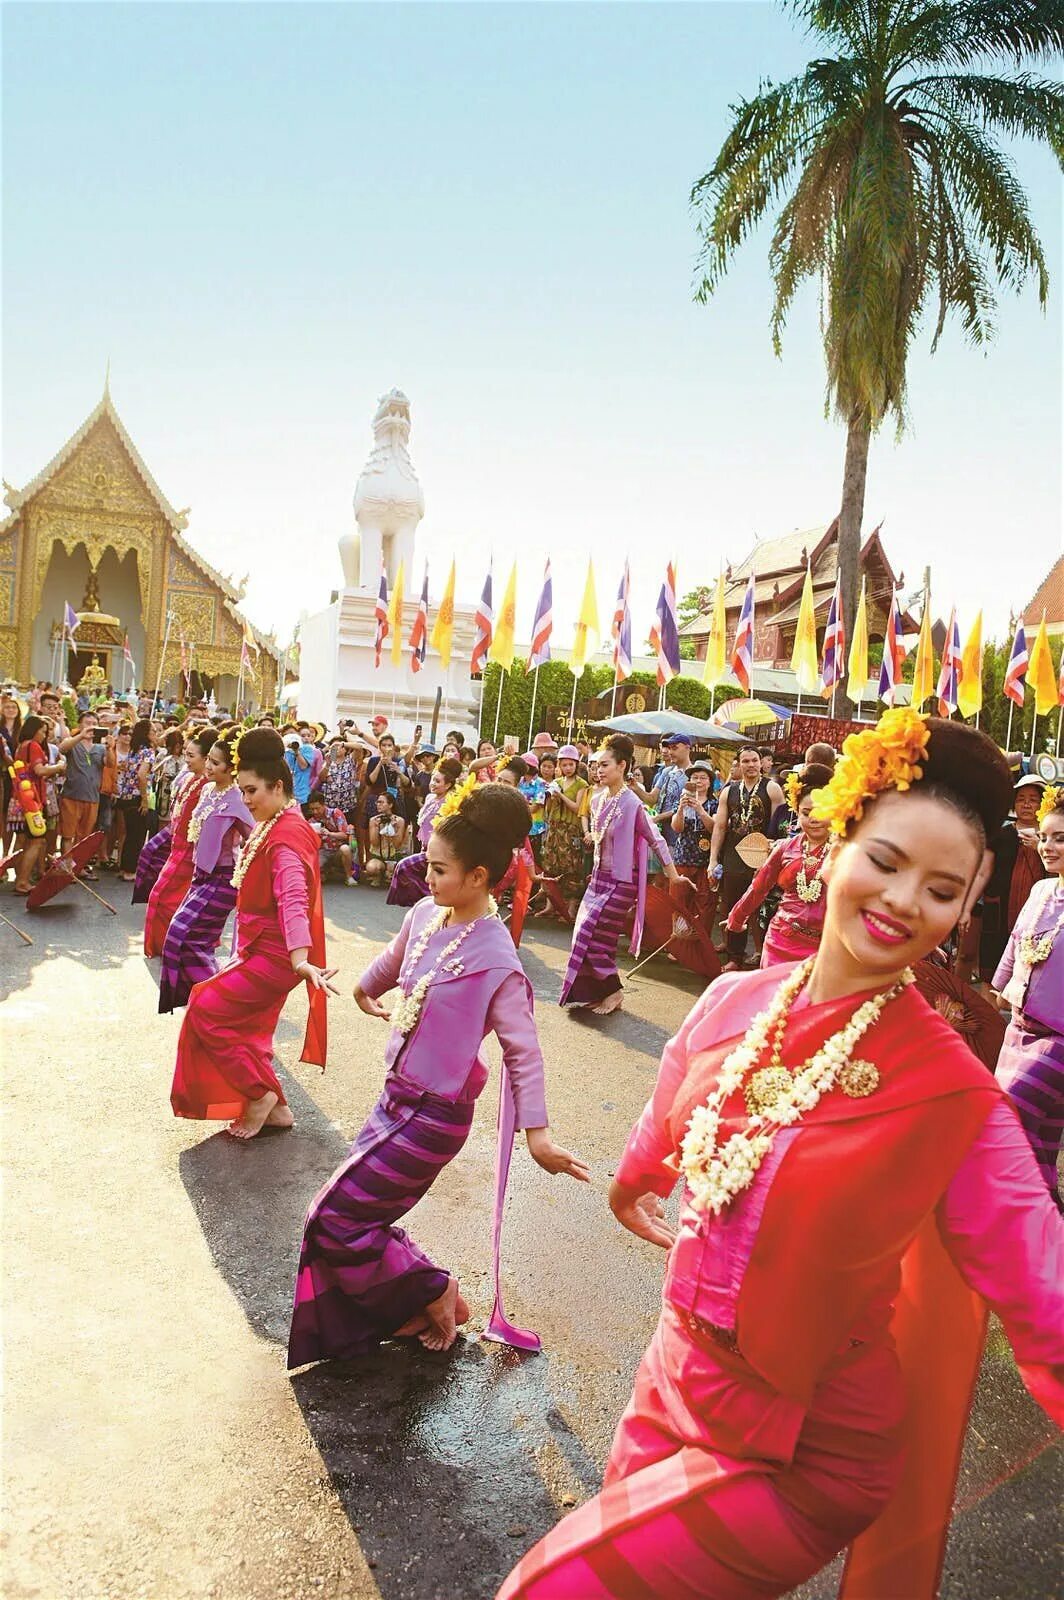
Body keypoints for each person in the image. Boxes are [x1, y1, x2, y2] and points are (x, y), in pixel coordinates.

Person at [499, 710, 1063, 1600]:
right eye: (885, 861)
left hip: (805, 1451)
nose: (907, 901)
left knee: (556, 1588)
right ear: (836, 844)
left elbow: (1047, 1289)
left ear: (967, 904)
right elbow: (673, 1108)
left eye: (944, 889)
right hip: (671, 1384)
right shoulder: (732, 1000)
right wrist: (631, 1186)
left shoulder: (953, 1096)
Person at [287, 782, 589, 1367]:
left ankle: (433, 1288)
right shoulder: (429, 913)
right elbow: (392, 963)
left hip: (434, 1117)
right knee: (355, 1216)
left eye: (439, 868)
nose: (426, 877)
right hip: (392, 1100)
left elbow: (523, 1051)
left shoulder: (498, 958)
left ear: (478, 876)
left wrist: (539, 1135)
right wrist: (360, 988)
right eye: (428, 863)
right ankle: (412, 1303)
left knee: (333, 1215)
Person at [171, 728, 335, 1140]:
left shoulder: (285, 837)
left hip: (277, 957)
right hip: (258, 949)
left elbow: (293, 897)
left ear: (278, 786)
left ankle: (260, 1094)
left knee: (206, 1007)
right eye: (242, 791)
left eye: (252, 791)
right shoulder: (277, 821)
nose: (246, 801)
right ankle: (276, 1108)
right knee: (242, 1028)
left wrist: (300, 958)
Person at [560, 734, 688, 1017]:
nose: (599, 770)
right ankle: (599, 991)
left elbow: (657, 840)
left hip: (622, 881)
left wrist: (674, 876)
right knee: (585, 934)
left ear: (622, 766)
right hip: (597, 879)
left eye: (605, 765)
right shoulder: (596, 800)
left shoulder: (631, 803)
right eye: (596, 765)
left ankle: (614, 991)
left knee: (595, 936)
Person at [993, 785, 1064, 1203]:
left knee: (1008, 1106)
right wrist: (1000, 993)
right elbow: (1016, 945)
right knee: (1038, 1134)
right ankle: (1039, 1206)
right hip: (1018, 1029)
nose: (1048, 846)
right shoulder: (1041, 890)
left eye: (1061, 838)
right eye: (1046, 835)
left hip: (1058, 1039)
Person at [159, 730, 254, 1013]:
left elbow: (256, 837)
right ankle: (207, 1004)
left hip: (223, 880)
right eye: (208, 760)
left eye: (215, 762)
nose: (208, 766)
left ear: (231, 767)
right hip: (200, 879)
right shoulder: (206, 789)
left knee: (186, 938)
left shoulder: (239, 798)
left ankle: (217, 1005)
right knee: (184, 940)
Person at [725, 763, 834, 967]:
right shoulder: (785, 847)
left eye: (821, 811)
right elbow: (758, 887)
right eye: (806, 812)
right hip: (780, 941)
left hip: (825, 949)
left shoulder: (845, 850)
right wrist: (736, 919)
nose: (813, 819)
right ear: (797, 812)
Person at [707, 743, 786, 968]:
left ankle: (766, 956)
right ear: (739, 765)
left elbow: (779, 826)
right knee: (734, 905)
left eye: (754, 760)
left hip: (764, 855)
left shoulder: (772, 788)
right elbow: (720, 827)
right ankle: (735, 957)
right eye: (745, 761)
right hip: (734, 855)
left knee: (764, 908)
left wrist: (771, 858)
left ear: (761, 763)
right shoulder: (729, 791)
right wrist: (713, 860)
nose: (750, 765)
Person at [137, 728, 211, 957]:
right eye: (186, 754)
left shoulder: (208, 786)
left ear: (206, 758)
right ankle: (167, 945)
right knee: (163, 898)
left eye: (191, 756)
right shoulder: (190, 778)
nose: (186, 760)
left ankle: (169, 946)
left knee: (164, 899)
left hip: (189, 851)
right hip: (176, 846)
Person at [978, 775, 1047, 980]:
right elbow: (984, 871)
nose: (1026, 804)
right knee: (992, 968)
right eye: (1021, 799)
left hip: (1038, 914)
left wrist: (1040, 846)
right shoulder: (1000, 835)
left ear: (1042, 803)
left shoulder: (1051, 836)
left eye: (1033, 799)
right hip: (999, 912)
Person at [386, 756, 464, 907]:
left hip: (439, 850)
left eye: (438, 781)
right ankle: (426, 905)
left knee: (404, 867)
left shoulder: (452, 801)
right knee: (427, 878)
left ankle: (429, 903)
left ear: (448, 785)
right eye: (432, 780)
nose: (432, 784)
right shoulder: (429, 798)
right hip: (424, 846)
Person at [8, 715, 63, 894]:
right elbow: (40, 770)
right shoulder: (33, 746)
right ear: (35, 730)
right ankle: (23, 881)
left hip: (19, 799)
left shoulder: (20, 746)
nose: (44, 735)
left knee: (22, 841)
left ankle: (18, 878)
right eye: (42, 731)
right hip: (31, 802)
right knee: (36, 841)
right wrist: (59, 767)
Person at [539, 744, 589, 920]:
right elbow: (548, 808)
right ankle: (550, 905)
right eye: (564, 764)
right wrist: (552, 797)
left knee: (571, 868)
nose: (567, 768)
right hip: (554, 828)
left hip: (571, 830)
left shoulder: (582, 784)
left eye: (571, 764)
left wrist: (561, 796)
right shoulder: (556, 783)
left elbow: (577, 808)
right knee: (550, 866)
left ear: (576, 764)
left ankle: (570, 908)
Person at [668, 760, 718, 929]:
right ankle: (679, 942)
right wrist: (681, 809)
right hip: (683, 858)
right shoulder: (681, 800)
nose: (699, 781)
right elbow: (677, 828)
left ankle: (698, 945)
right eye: (695, 777)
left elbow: (715, 829)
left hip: (705, 861)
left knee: (704, 905)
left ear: (710, 782)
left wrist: (700, 810)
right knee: (679, 902)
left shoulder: (714, 804)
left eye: (703, 777)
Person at [57, 711, 107, 862]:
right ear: (80, 725)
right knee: (67, 834)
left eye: (94, 723)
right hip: (71, 796)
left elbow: (110, 763)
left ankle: (78, 866)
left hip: (92, 797)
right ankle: (67, 866)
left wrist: (111, 747)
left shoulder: (100, 748)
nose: (91, 727)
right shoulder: (74, 743)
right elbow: (62, 748)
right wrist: (81, 735)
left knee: (83, 837)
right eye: (87, 723)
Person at [113, 719, 155, 881]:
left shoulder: (134, 750)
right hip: (138, 796)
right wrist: (144, 800)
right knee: (137, 835)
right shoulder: (148, 752)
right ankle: (130, 871)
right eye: (153, 731)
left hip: (126, 796)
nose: (155, 734)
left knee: (129, 834)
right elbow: (141, 775)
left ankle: (125, 868)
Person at [305, 788, 357, 884]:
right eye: (312, 809)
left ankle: (349, 877)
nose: (315, 812)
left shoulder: (335, 813)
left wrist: (329, 833)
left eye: (317, 808)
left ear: (323, 804)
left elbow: (344, 835)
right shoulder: (311, 822)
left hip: (337, 850)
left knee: (345, 849)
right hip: (323, 851)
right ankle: (326, 871)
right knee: (315, 875)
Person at [362, 791, 409, 886]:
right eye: (377, 802)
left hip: (393, 857)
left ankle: (390, 874)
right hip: (378, 856)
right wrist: (376, 827)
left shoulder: (399, 821)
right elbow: (374, 843)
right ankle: (378, 875)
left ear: (390, 805)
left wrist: (394, 830)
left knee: (393, 869)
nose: (378, 805)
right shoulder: (373, 820)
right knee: (372, 868)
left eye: (381, 802)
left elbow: (397, 845)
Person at [321, 736, 360, 826]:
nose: (337, 748)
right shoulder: (329, 761)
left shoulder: (350, 760)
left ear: (345, 749)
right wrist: (327, 764)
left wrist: (342, 743)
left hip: (347, 806)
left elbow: (360, 747)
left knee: (349, 831)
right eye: (334, 747)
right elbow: (322, 779)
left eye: (340, 747)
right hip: (331, 806)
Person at [1, 691, 22, 858]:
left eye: (13, 707)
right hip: (3, 774)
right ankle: (4, 853)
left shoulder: (22, 729)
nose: (10, 709)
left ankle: (13, 856)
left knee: (14, 817)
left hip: (20, 776)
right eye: (7, 706)